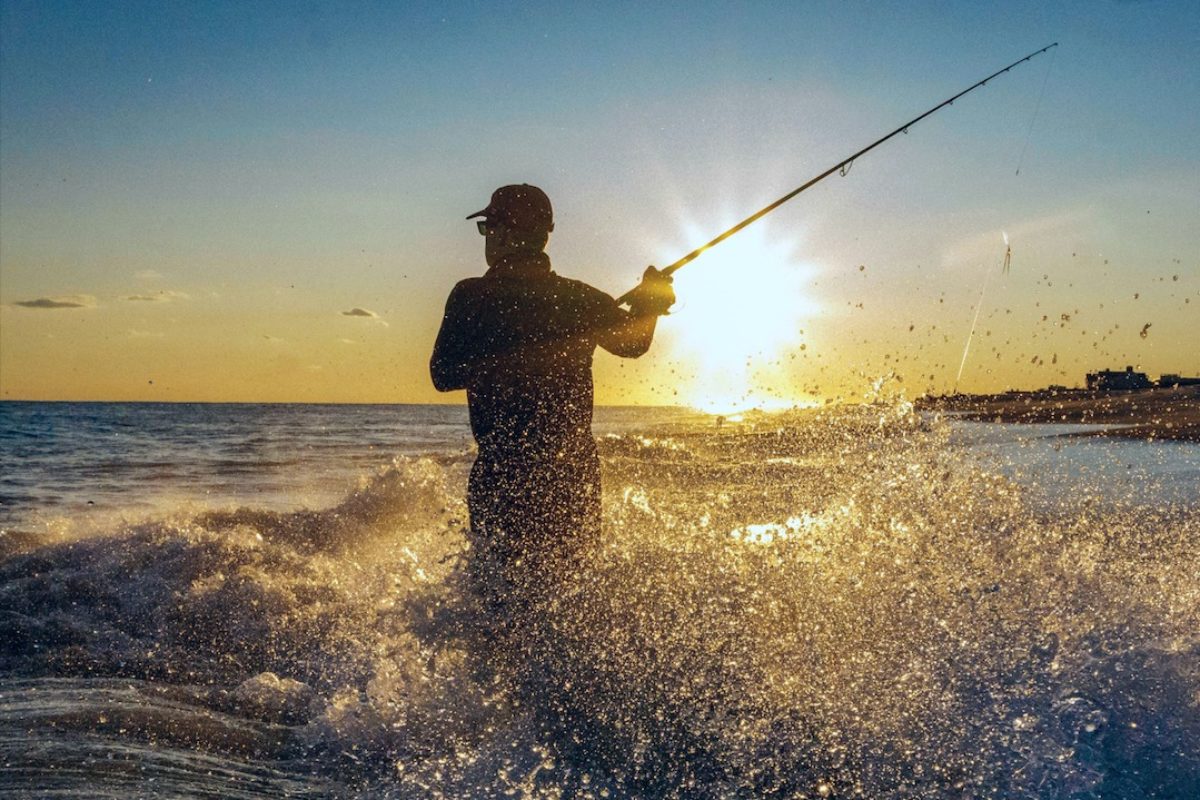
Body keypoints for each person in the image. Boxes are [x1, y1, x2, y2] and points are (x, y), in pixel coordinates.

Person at [430, 184, 674, 607]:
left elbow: (443, 373)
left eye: (489, 226)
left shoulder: (471, 295)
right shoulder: (579, 298)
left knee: (500, 603)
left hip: (502, 474)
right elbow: (635, 344)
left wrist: (500, 359)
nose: (487, 237)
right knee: (571, 596)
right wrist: (651, 304)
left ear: (507, 234)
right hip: (572, 475)